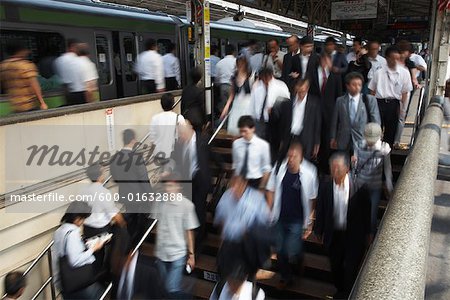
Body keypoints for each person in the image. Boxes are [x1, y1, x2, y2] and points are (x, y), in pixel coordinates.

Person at [313, 152, 371, 299]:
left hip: (353, 234)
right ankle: (340, 290)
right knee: (335, 266)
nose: (335, 171)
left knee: (350, 268)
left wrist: (369, 232)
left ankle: (348, 294)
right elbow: (321, 209)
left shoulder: (360, 187)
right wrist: (318, 229)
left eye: (338, 168)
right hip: (334, 234)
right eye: (332, 168)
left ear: (347, 169)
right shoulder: (326, 186)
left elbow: (367, 212)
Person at [266, 142, 318, 289]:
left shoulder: (310, 172)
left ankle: (300, 257)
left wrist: (311, 220)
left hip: (297, 218)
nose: (290, 159)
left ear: (300, 157)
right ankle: (285, 277)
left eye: (294, 157)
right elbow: (270, 189)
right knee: (280, 249)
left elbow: (312, 198)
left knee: (292, 247)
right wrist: (269, 210)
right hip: (280, 216)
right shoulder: (279, 168)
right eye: (289, 156)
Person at [213, 176, 270, 299]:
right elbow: (221, 222)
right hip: (229, 248)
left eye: (237, 185)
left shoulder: (256, 199)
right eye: (232, 185)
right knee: (227, 284)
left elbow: (264, 226)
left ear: (244, 184)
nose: (234, 188)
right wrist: (221, 247)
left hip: (247, 249)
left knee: (246, 286)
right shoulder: (226, 197)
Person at [170, 111, 214, 254]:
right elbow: (175, 160)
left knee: (199, 211)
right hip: (187, 182)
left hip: (200, 180)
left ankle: (198, 245)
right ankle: (192, 239)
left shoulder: (202, 140)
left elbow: (211, 157)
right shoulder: (179, 143)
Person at [152, 173, 199, 297]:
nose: (168, 189)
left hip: (177, 254)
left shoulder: (187, 205)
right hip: (161, 254)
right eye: (166, 186)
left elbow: (189, 231)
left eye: (171, 186)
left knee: (170, 288)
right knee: (165, 288)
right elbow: (157, 226)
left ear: (178, 187)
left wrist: (191, 255)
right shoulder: (159, 202)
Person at [109, 129, 154, 247]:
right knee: (139, 220)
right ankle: (133, 245)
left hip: (125, 194)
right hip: (138, 196)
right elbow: (144, 179)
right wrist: (150, 195)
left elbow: (115, 178)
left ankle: (128, 242)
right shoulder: (136, 158)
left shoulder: (115, 158)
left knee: (130, 218)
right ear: (133, 140)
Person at [53, 201, 105, 299]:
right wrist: (93, 249)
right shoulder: (72, 233)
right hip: (78, 282)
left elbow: (64, 253)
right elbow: (75, 261)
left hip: (64, 281)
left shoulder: (59, 231)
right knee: (100, 294)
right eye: (83, 218)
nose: (83, 222)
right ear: (77, 218)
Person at [81, 163, 126, 275]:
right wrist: (123, 225)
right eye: (103, 172)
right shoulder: (104, 193)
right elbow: (114, 214)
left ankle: (93, 277)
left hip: (87, 228)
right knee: (104, 255)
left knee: (93, 255)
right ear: (100, 176)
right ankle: (105, 276)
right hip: (101, 230)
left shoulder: (83, 191)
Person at [368, 46, 413, 147]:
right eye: (392, 58)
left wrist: (402, 108)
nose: (395, 61)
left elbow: (405, 92)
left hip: (394, 103)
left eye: (397, 59)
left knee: (391, 130)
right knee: (376, 128)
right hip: (379, 102)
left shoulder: (404, 73)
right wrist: (371, 106)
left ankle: (387, 151)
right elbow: (372, 90)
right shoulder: (378, 72)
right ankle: (376, 152)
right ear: (387, 58)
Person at [353, 123, 393, 234]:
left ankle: (370, 237)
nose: (370, 142)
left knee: (372, 215)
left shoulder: (384, 149)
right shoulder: (358, 145)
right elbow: (355, 166)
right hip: (360, 186)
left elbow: (387, 169)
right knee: (358, 213)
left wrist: (389, 187)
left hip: (375, 186)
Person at [269, 78, 321, 163]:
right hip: (290, 137)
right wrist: (282, 139)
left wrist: (316, 142)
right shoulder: (288, 103)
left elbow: (317, 124)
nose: (300, 94)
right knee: (287, 161)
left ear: (307, 89)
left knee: (304, 163)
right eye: (298, 91)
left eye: (303, 91)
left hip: (305, 138)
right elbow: (283, 123)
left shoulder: (314, 103)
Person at [330, 72, 381, 153]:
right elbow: (335, 121)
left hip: (362, 139)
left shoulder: (369, 100)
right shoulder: (340, 101)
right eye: (354, 85)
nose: (357, 87)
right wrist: (333, 137)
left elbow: (376, 120)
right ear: (347, 86)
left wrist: (375, 138)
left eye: (359, 85)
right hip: (343, 138)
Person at [310, 53, 343, 172]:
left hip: (330, 113)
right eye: (324, 60)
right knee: (315, 136)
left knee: (327, 138)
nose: (325, 63)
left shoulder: (335, 76)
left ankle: (326, 166)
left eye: (327, 60)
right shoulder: (313, 74)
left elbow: (339, 96)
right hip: (315, 111)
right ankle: (315, 162)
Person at [0, 40, 47, 112]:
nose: (27, 52)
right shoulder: (26, 65)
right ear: (20, 51)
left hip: (14, 106)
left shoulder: (3, 66)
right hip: (28, 105)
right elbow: (34, 85)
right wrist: (42, 102)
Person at [232, 116, 272, 190]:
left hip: (255, 181)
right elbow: (235, 165)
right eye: (241, 131)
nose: (243, 134)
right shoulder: (236, 144)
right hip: (240, 180)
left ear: (252, 129)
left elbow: (266, 168)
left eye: (245, 131)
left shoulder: (263, 145)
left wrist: (262, 187)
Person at [251, 67, 290, 140]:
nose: (265, 81)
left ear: (271, 76)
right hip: (259, 120)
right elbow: (253, 104)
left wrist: (275, 109)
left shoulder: (280, 86)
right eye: (263, 79)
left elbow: (287, 103)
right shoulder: (257, 87)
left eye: (267, 78)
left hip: (274, 121)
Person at [220, 55, 255, 135]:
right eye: (238, 63)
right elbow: (232, 94)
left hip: (248, 105)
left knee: (246, 129)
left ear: (245, 64)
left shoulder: (251, 76)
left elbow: (254, 93)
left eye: (242, 63)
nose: (240, 65)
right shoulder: (234, 77)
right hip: (237, 105)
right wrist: (226, 107)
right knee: (235, 130)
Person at [149, 93, 186, 159]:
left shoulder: (155, 118)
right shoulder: (179, 118)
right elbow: (184, 136)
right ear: (173, 104)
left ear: (161, 104)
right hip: (173, 153)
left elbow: (152, 139)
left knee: (163, 168)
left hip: (158, 153)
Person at [215, 44, 236, 116]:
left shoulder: (220, 63)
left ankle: (224, 124)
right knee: (232, 106)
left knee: (224, 106)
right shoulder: (236, 62)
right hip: (232, 86)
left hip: (222, 87)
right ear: (234, 52)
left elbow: (217, 78)